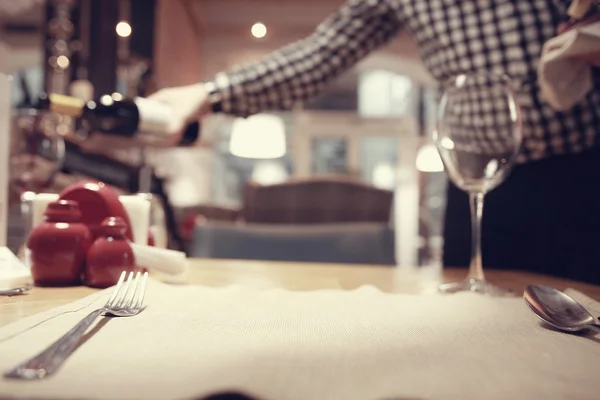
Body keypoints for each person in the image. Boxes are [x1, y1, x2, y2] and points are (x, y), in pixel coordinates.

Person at [104, 0, 600, 284]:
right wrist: (211, 92)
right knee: (477, 324)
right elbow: (322, 54)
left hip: (584, 172)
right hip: (474, 188)